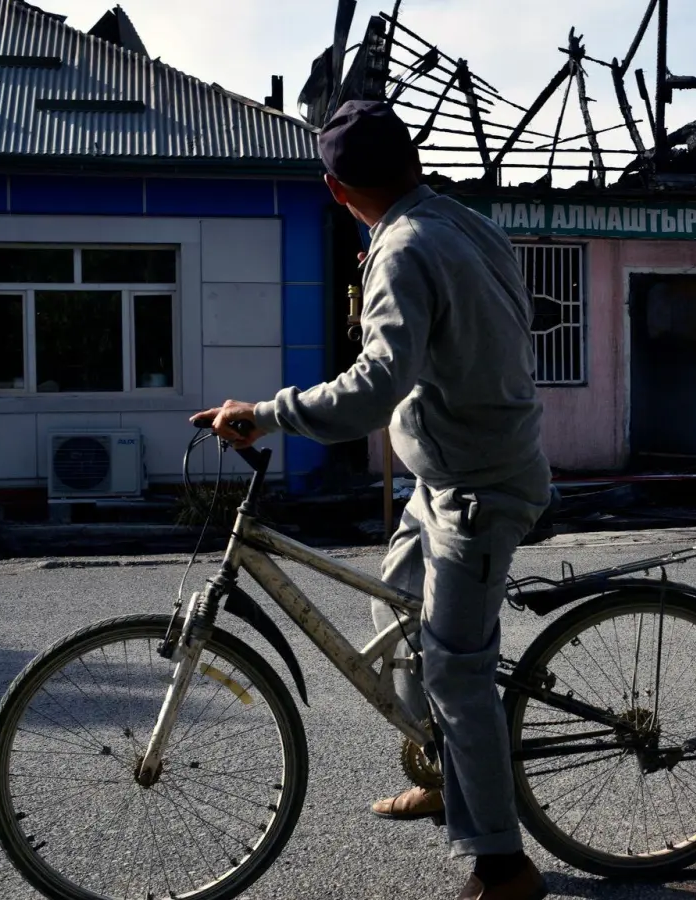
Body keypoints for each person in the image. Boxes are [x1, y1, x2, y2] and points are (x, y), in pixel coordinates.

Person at [192, 100, 551, 900]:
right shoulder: (458, 220)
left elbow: (375, 386)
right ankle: (444, 769)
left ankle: (504, 865)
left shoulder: (403, 250)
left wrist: (267, 412)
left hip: (480, 488)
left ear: (334, 188)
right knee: (395, 614)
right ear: (414, 162)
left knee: (458, 672)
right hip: (447, 474)